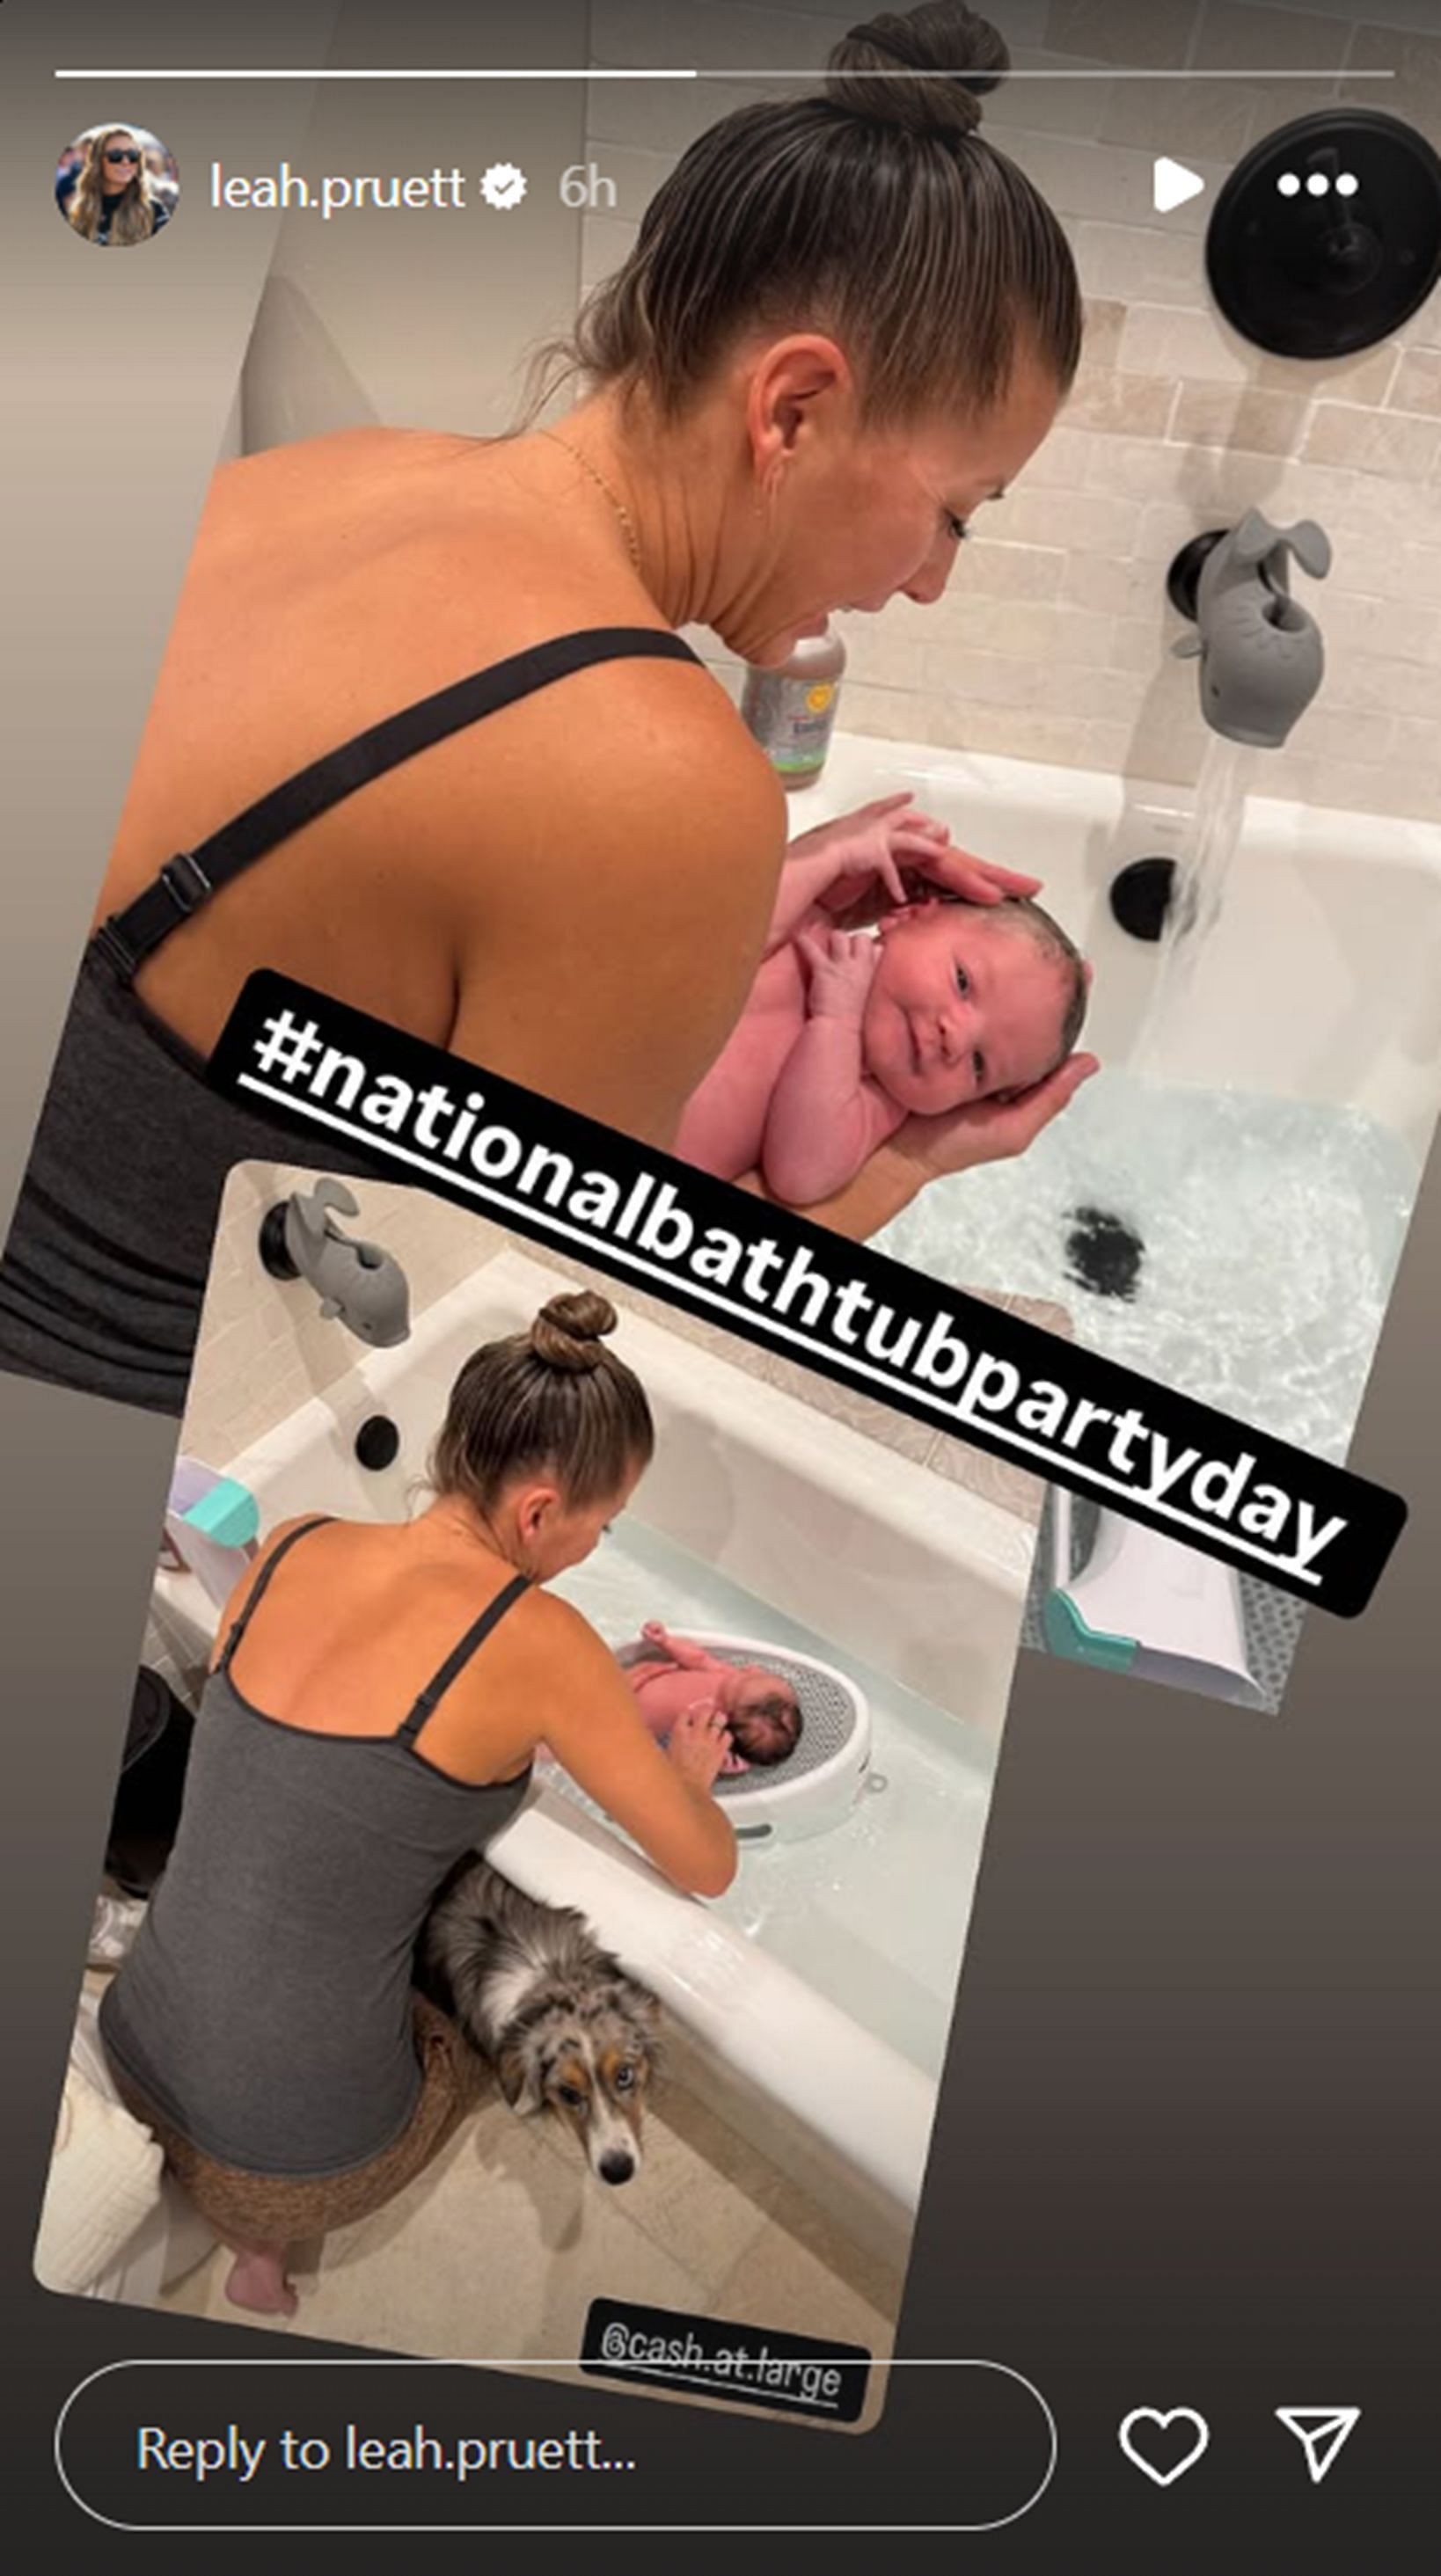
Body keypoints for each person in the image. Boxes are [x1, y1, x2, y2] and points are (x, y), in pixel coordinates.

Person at [0, 4, 1097, 1419]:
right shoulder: (660, 782)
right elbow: (541, 1360)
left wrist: (789, 878)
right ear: (794, 409)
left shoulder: (333, 474)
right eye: (954, 513)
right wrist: (910, 1168)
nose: (932, 580)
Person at [97, 1292, 736, 2319]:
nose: (593, 1550)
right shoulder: (546, 1638)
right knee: (492, 1971)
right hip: (294, 2164)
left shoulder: (294, 1538)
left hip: (133, 2036)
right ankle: (264, 2235)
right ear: (536, 1510)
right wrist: (690, 1779)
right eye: (599, 1526)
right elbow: (707, 1865)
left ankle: (241, 2243)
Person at [677, 791, 1087, 1201]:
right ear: (908, 914)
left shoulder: (877, 1101)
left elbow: (799, 1177)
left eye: (979, 1066)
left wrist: (836, 1025)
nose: (956, 1038)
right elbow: (707, 926)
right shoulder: (806, 931)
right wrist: (831, 854)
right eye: (962, 982)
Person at [619, 1623, 802, 1773]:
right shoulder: (729, 1677)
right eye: (759, 1674)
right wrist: (666, 1642)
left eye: (748, 1678)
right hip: (630, 1687)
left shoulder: (709, 1719)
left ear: (728, 1716)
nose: (753, 1668)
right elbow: (698, 1658)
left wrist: (728, 1761)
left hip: (629, 1721)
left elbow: (700, 1749)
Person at [62, 129, 172, 247]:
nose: (125, 161)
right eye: (116, 155)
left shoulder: (154, 211)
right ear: (98, 161)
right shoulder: (80, 210)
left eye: (132, 155)